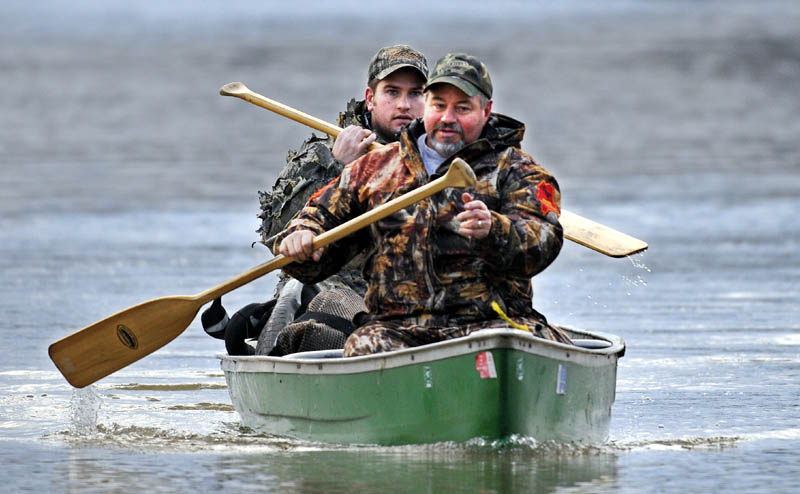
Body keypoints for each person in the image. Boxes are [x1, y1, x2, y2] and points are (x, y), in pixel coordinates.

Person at [274, 52, 571, 357]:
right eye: (439, 105)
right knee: (364, 346)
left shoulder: (518, 171)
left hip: (492, 324)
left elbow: (544, 240)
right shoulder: (374, 169)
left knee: (511, 345)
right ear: (427, 106)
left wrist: (494, 229)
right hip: (399, 330)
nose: (448, 118)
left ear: (486, 111)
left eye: (462, 108)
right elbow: (320, 216)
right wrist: (301, 237)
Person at [203, 45, 429, 356]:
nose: (403, 105)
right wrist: (338, 168)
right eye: (392, 92)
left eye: (415, 94)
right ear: (370, 98)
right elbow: (277, 238)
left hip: (406, 301)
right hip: (328, 293)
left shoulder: (441, 160)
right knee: (302, 294)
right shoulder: (321, 156)